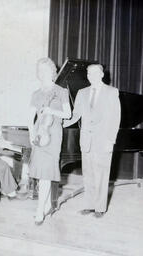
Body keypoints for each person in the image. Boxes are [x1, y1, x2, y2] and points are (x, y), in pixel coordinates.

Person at [64, 64, 121, 218]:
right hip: (86, 141)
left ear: (102, 75)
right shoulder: (82, 93)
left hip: (103, 141)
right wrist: (60, 122)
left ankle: (100, 208)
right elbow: (75, 115)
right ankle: (89, 205)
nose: (91, 76)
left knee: (101, 174)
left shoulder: (111, 92)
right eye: (89, 74)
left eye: (94, 73)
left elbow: (115, 119)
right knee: (88, 174)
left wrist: (111, 141)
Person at [28, 58, 71, 225]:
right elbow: (29, 117)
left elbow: (67, 114)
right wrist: (31, 134)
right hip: (40, 133)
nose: (42, 73)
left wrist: (51, 110)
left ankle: (39, 211)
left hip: (53, 134)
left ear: (52, 72)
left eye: (45, 70)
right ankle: (46, 205)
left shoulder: (61, 91)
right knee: (40, 172)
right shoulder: (36, 93)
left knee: (46, 172)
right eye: (39, 70)